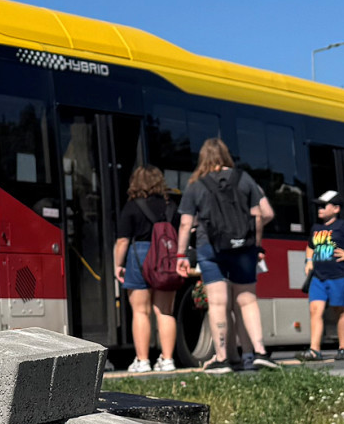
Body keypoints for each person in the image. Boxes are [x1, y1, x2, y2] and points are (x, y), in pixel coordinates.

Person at [176, 137, 275, 372]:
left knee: (218, 303)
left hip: (210, 248)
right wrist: (255, 243)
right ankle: (259, 352)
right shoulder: (244, 179)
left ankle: (221, 358)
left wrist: (180, 255)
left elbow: (184, 223)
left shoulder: (196, 185)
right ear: (226, 155)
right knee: (247, 300)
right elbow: (263, 214)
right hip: (244, 248)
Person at [112, 165, 179, 372]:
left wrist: (117, 265)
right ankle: (167, 360)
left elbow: (123, 240)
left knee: (141, 311)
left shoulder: (132, 206)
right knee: (165, 311)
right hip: (166, 256)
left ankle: (142, 361)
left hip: (139, 255)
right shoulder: (171, 206)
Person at [302, 190, 344, 361]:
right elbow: (310, 246)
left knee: (339, 310)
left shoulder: (343, 226)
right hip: (318, 277)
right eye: (318, 206)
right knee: (315, 310)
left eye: (323, 206)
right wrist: (309, 260)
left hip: (339, 275)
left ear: (336, 208)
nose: (319, 209)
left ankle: (343, 348)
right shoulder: (316, 228)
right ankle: (314, 350)